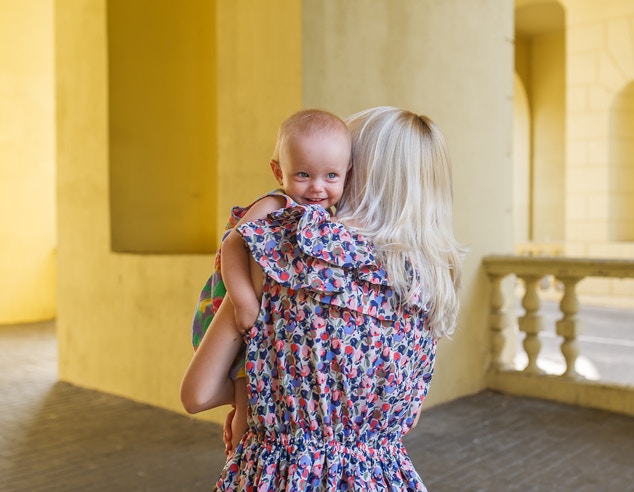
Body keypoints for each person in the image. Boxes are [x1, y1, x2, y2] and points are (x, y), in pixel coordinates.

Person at [181, 106, 465, 491]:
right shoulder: (431, 287)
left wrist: (262, 397)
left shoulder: (285, 256)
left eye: (336, 169)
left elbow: (197, 394)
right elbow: (406, 420)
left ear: (356, 172)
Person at [189, 108, 352, 457]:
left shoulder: (328, 216)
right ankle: (239, 457)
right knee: (247, 397)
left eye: (331, 176)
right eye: (304, 174)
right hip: (233, 305)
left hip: (265, 327)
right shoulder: (277, 203)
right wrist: (244, 299)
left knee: (253, 396)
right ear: (279, 171)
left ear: (346, 175)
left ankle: (242, 452)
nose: (317, 187)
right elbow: (234, 242)